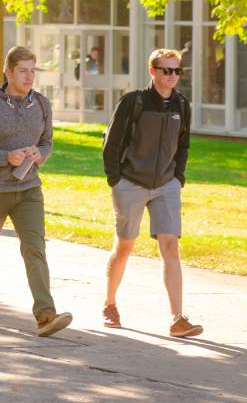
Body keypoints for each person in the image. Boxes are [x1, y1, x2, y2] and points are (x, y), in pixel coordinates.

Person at [0, 45, 73, 337]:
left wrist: (38, 154)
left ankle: (46, 314)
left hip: (29, 188)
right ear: (8, 72)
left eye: (33, 71)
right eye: (23, 70)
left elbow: (47, 142)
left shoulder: (42, 104)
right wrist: (4, 157)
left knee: (35, 249)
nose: (29, 76)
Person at [101, 49, 201, 338]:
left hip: (166, 184)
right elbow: (112, 143)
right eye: (166, 70)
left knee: (171, 247)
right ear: (153, 71)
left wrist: (178, 177)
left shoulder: (181, 105)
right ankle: (110, 304)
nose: (172, 76)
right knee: (125, 247)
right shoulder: (135, 102)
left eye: (176, 71)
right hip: (131, 182)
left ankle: (177, 318)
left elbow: (184, 145)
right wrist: (115, 180)